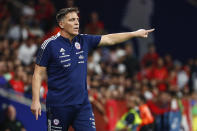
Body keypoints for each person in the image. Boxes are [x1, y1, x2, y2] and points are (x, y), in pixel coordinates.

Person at [30, 7, 154, 131]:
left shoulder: (83, 40)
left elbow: (109, 39)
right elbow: (38, 74)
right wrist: (35, 100)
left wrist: (134, 34)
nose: (77, 23)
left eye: (77, 20)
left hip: (82, 106)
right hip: (58, 106)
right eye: (72, 20)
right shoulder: (49, 45)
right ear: (61, 24)